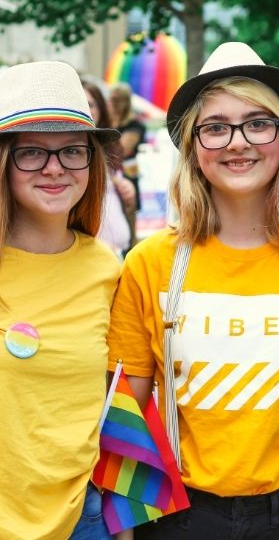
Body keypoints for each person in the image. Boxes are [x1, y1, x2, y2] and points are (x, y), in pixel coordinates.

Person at [107, 41, 279, 539]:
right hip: (178, 516)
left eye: (257, 123)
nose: (237, 142)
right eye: (215, 127)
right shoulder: (149, 265)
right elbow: (127, 418)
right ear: (192, 147)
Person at [0, 61, 121, 539]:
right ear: (5, 161)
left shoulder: (109, 270)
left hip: (82, 520)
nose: (55, 168)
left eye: (72, 151)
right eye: (32, 153)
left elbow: (122, 407)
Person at [82, 78, 136, 256]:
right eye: (80, 103)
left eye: (90, 104)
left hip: (117, 251)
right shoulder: (66, 156)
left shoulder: (109, 147)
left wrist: (126, 191)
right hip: (90, 253)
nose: (85, 110)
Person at [108, 81, 146, 244]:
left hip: (128, 173)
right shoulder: (107, 123)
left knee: (129, 215)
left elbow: (121, 149)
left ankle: (131, 248)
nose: (114, 104)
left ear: (126, 101)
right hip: (110, 173)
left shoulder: (135, 124)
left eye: (117, 100)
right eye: (112, 99)